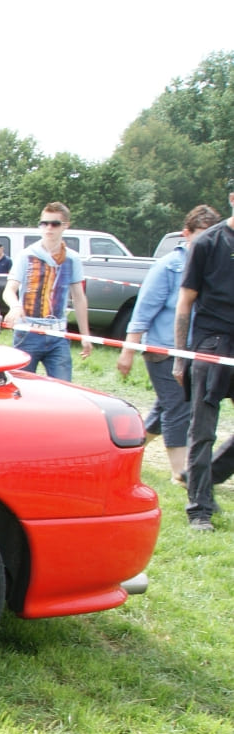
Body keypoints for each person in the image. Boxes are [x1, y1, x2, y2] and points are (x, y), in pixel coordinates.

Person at [117, 205, 222, 485]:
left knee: (165, 409)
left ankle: (126, 450)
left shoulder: (215, 266)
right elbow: (143, 311)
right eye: (201, 235)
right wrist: (129, 350)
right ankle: (180, 473)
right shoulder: (168, 266)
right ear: (186, 234)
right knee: (179, 408)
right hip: (163, 351)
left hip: (197, 351)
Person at [173, 181, 234, 531]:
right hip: (211, 342)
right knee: (203, 429)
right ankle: (199, 510)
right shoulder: (208, 242)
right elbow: (185, 302)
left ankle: (203, 480)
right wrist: (181, 358)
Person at [2, 202, 93, 381]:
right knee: (21, 388)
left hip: (58, 334)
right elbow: (9, 289)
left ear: (65, 226)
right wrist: (14, 306)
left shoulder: (72, 259)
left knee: (63, 389)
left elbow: (79, 298)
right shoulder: (26, 255)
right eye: (44, 223)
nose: (48, 228)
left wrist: (85, 336)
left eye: (54, 224)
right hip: (28, 333)